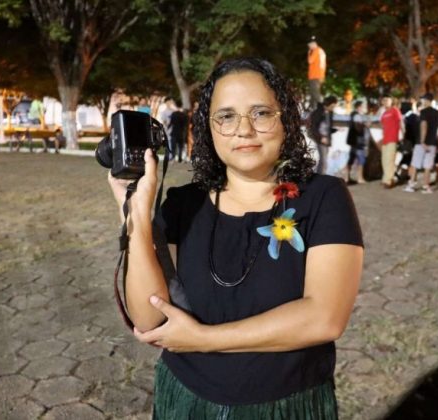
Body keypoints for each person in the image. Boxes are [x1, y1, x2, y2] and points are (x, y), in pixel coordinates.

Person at [107, 58, 364, 418]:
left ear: (286, 120)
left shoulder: (324, 197)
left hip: (286, 404)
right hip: (186, 400)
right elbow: (148, 319)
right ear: (208, 128)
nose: (244, 130)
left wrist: (204, 340)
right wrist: (136, 215)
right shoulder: (184, 204)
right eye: (226, 117)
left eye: (261, 113)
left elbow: (324, 318)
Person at [404, 93, 438, 193]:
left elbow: (423, 125)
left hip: (421, 143)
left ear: (426, 100)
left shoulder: (423, 112)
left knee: (415, 164)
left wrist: (422, 141)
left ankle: (411, 184)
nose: (422, 101)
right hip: (433, 142)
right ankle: (426, 186)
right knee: (428, 166)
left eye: (423, 99)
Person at [307, 95, 337, 174]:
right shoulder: (318, 112)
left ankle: (320, 176)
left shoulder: (330, 113)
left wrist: (335, 130)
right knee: (323, 161)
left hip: (326, 139)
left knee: (324, 160)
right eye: (332, 106)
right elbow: (313, 127)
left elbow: (328, 127)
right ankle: (320, 177)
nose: (333, 108)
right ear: (328, 104)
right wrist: (321, 138)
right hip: (320, 139)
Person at [379, 96, 403, 188]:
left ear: (391, 101)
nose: (385, 101)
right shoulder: (384, 113)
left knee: (389, 160)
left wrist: (403, 134)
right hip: (385, 139)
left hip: (392, 139)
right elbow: (382, 125)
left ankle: (388, 181)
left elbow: (400, 122)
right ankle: (386, 178)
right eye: (384, 100)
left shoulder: (395, 110)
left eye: (387, 100)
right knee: (384, 160)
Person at [345, 101, 369, 184]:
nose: (365, 108)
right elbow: (358, 128)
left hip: (354, 141)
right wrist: (365, 125)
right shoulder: (357, 116)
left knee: (351, 158)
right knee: (361, 159)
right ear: (359, 107)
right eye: (363, 106)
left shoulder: (353, 115)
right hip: (358, 141)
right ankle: (360, 178)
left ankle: (347, 177)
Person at [307, 36, 326, 111]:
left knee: (315, 93)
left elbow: (310, 61)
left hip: (315, 75)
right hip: (319, 75)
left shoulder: (316, 50)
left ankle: (321, 108)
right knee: (313, 92)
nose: (309, 47)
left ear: (313, 44)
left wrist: (309, 53)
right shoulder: (321, 51)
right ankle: (312, 108)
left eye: (309, 45)